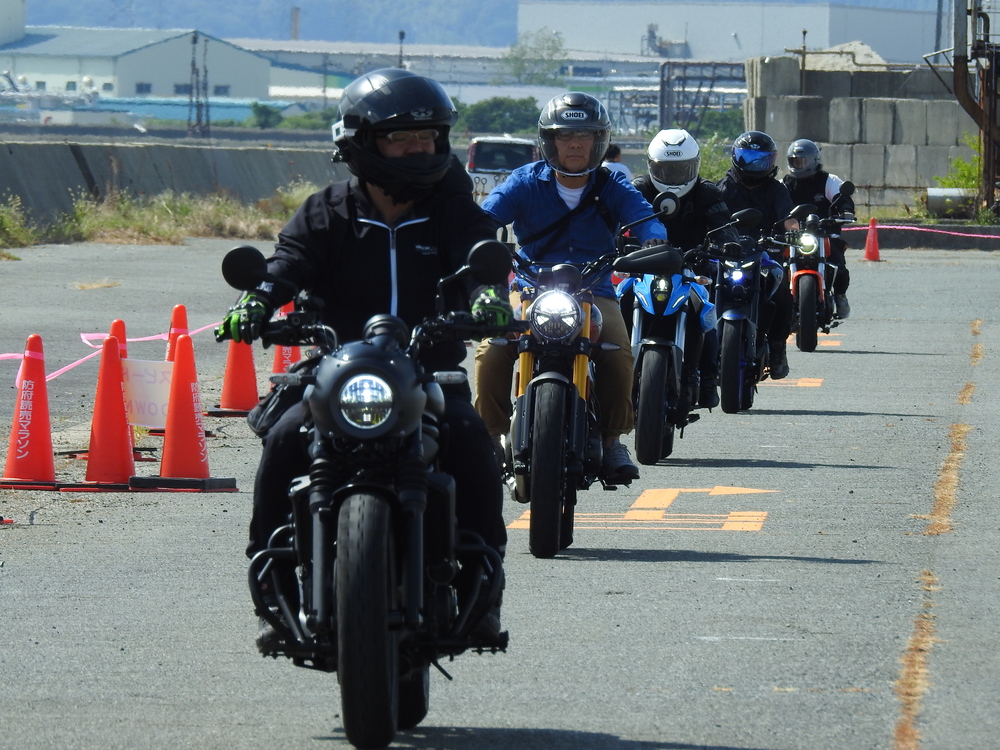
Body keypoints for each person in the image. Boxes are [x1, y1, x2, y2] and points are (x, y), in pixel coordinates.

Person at [215, 68, 510, 650]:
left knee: (472, 440)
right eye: (402, 137)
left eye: (428, 136)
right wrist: (258, 301)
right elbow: (287, 263)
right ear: (360, 142)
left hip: (429, 371)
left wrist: (487, 298)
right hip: (336, 368)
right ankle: (273, 585)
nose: (418, 148)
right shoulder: (326, 212)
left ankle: (483, 588)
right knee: (285, 436)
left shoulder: (453, 211)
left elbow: (478, 261)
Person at [474, 92, 667, 484]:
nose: (575, 143)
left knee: (618, 353)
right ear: (550, 140)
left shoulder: (613, 184)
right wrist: (474, 237)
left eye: (585, 135)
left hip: (594, 290)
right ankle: (491, 438)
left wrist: (653, 240)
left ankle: (613, 441)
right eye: (565, 135)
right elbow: (485, 217)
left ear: (598, 141)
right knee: (491, 350)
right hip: (529, 287)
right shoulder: (524, 181)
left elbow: (645, 218)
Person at [630, 128, 740, 409]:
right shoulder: (639, 189)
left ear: (694, 165)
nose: (673, 176)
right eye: (666, 169)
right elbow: (619, 220)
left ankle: (704, 379)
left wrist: (728, 242)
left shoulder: (706, 192)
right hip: (644, 267)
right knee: (619, 302)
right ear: (652, 166)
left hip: (692, 268)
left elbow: (723, 223)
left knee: (704, 315)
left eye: (681, 169)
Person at [716, 130, 798, 380]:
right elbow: (711, 217)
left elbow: (788, 217)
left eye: (760, 160)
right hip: (727, 254)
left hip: (765, 253)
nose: (753, 165)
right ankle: (700, 354)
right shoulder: (723, 188)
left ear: (771, 161)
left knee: (781, 290)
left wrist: (794, 231)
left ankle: (777, 348)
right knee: (701, 288)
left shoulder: (777, 190)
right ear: (736, 157)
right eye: (747, 158)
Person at [782, 138, 855, 319]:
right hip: (793, 236)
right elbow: (777, 204)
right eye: (795, 161)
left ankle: (840, 295)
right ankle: (778, 303)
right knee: (776, 265)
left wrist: (845, 211)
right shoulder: (784, 184)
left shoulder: (828, 180)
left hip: (824, 233)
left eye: (803, 161)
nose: (799, 165)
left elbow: (842, 198)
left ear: (814, 161)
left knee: (838, 262)